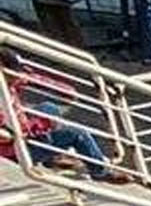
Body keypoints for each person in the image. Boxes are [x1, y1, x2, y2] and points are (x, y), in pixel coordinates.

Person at [0, 49, 132, 183]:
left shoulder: (8, 80)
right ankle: (100, 172)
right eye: (14, 71)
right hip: (15, 151)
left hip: (22, 130)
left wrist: (65, 90)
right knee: (78, 134)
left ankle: (51, 158)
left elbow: (34, 79)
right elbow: (9, 133)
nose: (17, 75)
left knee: (48, 108)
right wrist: (38, 125)